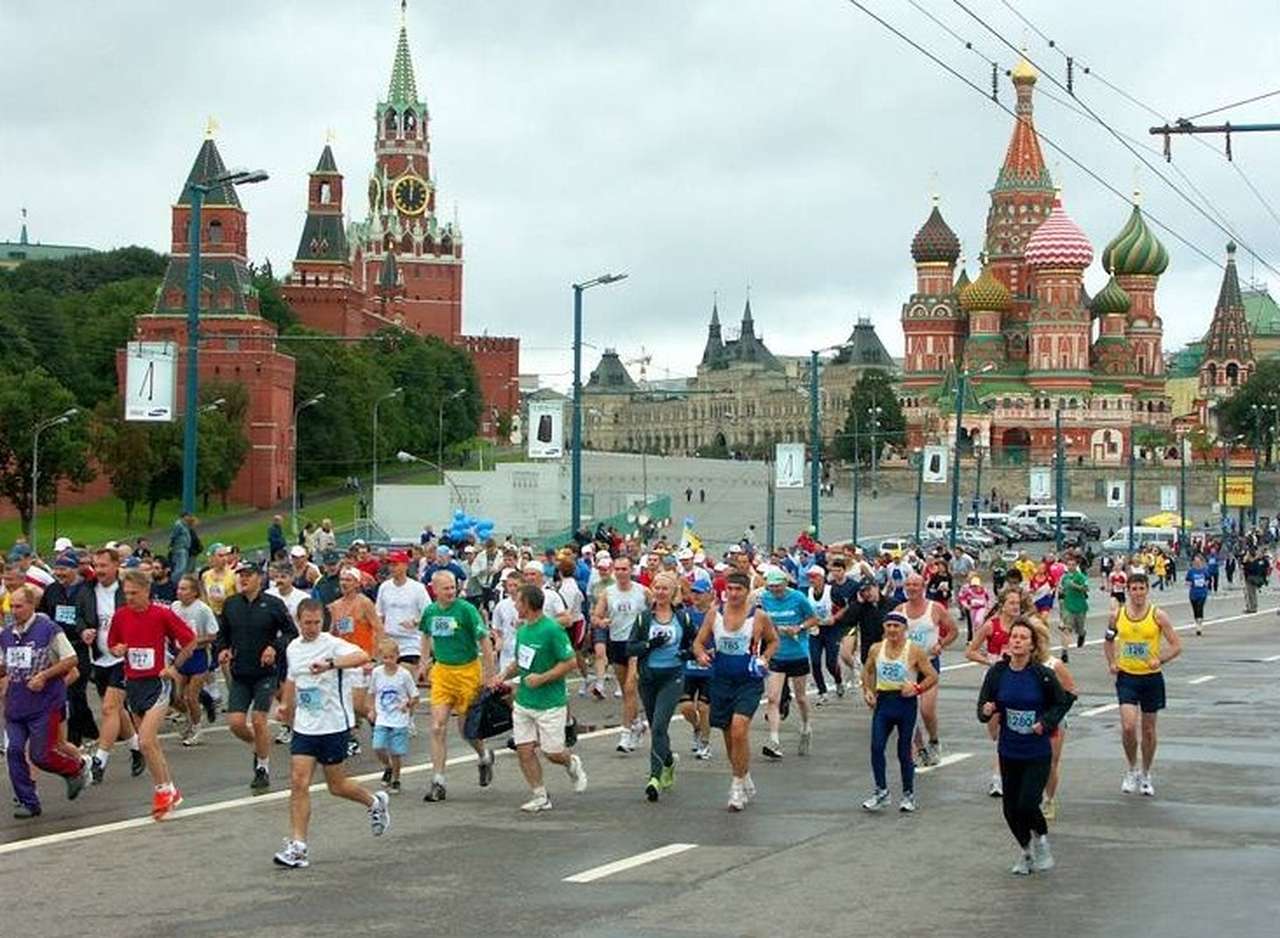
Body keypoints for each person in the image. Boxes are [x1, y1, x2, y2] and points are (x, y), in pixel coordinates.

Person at [273, 599, 389, 868]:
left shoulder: (332, 644)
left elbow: (362, 656)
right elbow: (292, 678)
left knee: (337, 786)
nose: (312, 628)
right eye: (307, 623)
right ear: (298, 621)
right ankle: (298, 846)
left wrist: (331, 664)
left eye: (317, 623)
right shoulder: (293, 647)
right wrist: (286, 705)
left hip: (333, 724)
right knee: (298, 782)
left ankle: (374, 802)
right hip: (305, 726)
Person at [977, 618, 1075, 874]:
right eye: (1014, 637)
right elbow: (983, 705)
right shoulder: (998, 673)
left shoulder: (1042, 675)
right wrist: (987, 710)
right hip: (1009, 750)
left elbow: (1064, 700)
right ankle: (1026, 851)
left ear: (1032, 645)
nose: (1017, 641)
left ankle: (1041, 840)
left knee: (1027, 804)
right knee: (1010, 809)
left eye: (1023, 638)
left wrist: (1046, 722)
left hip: (1036, 751)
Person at [107, 570, 198, 819]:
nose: (129, 598)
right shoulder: (121, 615)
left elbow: (190, 641)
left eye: (134, 593)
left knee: (145, 741)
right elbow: (113, 644)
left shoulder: (161, 614)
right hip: (133, 684)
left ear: (146, 591)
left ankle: (161, 792)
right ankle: (171, 790)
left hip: (157, 683)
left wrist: (174, 667)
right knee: (151, 745)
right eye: (126, 593)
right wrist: (117, 650)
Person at [492, 584, 588, 812]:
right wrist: (503, 675)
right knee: (524, 750)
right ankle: (540, 795)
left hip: (550, 702)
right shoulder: (523, 631)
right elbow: (521, 662)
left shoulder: (552, 630)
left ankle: (571, 762)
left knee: (552, 752)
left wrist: (542, 678)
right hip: (524, 701)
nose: (515, 605)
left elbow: (570, 662)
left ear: (527, 604)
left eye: (518, 601)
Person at [691, 571, 779, 811]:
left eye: (738, 589)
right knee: (730, 736)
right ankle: (743, 773)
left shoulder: (758, 616)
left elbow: (773, 641)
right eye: (729, 589)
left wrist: (765, 657)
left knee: (740, 729)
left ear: (747, 592)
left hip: (748, 680)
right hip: (721, 680)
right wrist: (700, 654)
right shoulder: (714, 614)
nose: (733, 593)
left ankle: (736, 786)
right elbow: (698, 642)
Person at [1, 585, 91, 818]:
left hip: (44, 705)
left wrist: (44, 676)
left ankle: (76, 769)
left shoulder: (49, 630)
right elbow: (4, 666)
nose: (14, 611)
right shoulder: (6, 635)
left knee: (41, 756)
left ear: (32, 605)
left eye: (19, 606)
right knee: (13, 751)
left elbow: (71, 659)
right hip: (16, 706)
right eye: (12, 606)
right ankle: (28, 801)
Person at [217, 561, 297, 792]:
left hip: (266, 673)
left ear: (259, 578)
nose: (243, 579)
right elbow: (223, 634)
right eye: (240, 575)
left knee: (259, 720)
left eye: (248, 575)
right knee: (235, 724)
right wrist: (223, 649)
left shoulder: (272, 604)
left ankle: (262, 767)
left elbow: (290, 632)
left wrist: (274, 647)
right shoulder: (231, 604)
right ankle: (259, 744)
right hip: (240, 672)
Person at [419, 570, 496, 802]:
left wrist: (489, 674)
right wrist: (424, 661)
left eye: (453, 587)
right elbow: (425, 635)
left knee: (466, 730)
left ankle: (484, 756)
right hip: (443, 672)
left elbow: (484, 640)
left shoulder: (466, 610)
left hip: (467, 672)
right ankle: (438, 781)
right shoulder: (430, 611)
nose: (451, 591)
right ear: (434, 590)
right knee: (437, 727)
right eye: (446, 588)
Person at [1104, 572, 1181, 797]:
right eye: (1134, 589)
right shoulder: (1117, 616)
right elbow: (1108, 641)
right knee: (1128, 726)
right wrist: (1112, 662)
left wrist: (1161, 659)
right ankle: (1132, 769)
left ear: (1147, 590)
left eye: (1141, 588)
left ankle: (1146, 773)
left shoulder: (1158, 615)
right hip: (1127, 677)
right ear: (1128, 591)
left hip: (1151, 678)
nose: (1138, 593)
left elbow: (1176, 646)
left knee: (1148, 730)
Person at [625, 571, 696, 801]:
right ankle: (668, 760)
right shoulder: (644, 618)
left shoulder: (682, 618)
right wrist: (649, 644)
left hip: (672, 677)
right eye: (657, 588)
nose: (661, 592)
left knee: (657, 726)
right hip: (648, 678)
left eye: (665, 588)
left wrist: (686, 653)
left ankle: (654, 778)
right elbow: (630, 648)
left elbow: (695, 645)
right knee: (659, 730)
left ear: (673, 592)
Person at [858, 611, 938, 813]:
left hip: (905, 704)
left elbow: (932, 676)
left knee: (904, 751)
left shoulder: (914, 650)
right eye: (889, 626)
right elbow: (867, 671)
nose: (892, 630)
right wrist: (868, 691)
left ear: (905, 629)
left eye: (897, 626)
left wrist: (917, 688)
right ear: (884, 627)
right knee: (876, 747)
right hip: (884, 703)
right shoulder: (876, 648)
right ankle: (881, 792)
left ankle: (908, 794)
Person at [77, 548, 144, 783]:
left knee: (108, 708)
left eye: (104, 565)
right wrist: (84, 630)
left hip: (123, 659)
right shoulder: (87, 589)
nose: (99, 570)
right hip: (100, 658)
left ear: (116, 566)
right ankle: (137, 748)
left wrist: (128, 642)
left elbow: (141, 617)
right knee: (117, 711)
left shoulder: (127, 590)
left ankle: (100, 761)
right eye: (96, 565)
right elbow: (79, 616)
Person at [895, 572, 958, 765]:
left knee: (927, 710)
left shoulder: (935, 608)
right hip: (908, 666)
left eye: (916, 584)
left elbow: (953, 631)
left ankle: (934, 741)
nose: (912, 588)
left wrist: (941, 644)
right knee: (909, 712)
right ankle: (919, 748)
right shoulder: (899, 610)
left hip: (929, 664)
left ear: (923, 587)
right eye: (908, 585)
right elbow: (890, 635)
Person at [966, 587, 1022, 797]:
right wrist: (990, 661)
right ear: (1002, 605)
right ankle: (1006, 766)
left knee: (1007, 732)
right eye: (1011, 603)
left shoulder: (1022, 627)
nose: (1015, 607)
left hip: (1017, 680)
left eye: (1018, 603)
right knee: (995, 732)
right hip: (995, 681)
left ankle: (998, 778)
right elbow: (970, 651)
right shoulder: (991, 625)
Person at [591, 555, 649, 752]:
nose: (621, 573)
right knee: (626, 692)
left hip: (636, 644)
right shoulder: (608, 593)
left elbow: (657, 611)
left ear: (631, 570)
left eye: (624, 569)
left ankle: (625, 734)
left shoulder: (643, 591)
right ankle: (637, 723)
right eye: (618, 569)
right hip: (617, 642)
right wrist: (601, 622)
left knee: (631, 688)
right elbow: (596, 616)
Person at [759, 567, 818, 760]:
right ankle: (774, 741)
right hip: (777, 654)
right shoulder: (765, 598)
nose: (775, 590)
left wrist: (799, 627)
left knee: (800, 697)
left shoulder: (798, 598)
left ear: (785, 584)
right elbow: (762, 620)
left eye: (778, 586)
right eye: (771, 586)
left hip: (797, 652)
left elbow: (813, 619)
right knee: (773, 698)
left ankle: (806, 726)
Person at [41, 553, 96, 747]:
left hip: (78, 646)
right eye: (57, 569)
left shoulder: (86, 589)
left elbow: (92, 616)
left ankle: (74, 739)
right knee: (72, 693)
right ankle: (91, 730)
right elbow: (44, 614)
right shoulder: (52, 590)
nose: (59, 573)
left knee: (74, 692)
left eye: (63, 569)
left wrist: (88, 630)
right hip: (57, 648)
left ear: (74, 569)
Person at [327, 568, 383, 755]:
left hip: (362, 660)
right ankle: (351, 739)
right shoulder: (335, 606)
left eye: (349, 580)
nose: (344, 583)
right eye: (342, 580)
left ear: (357, 583)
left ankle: (378, 723)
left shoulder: (364, 603)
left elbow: (378, 629)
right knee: (343, 703)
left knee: (358, 705)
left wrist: (374, 658)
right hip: (344, 661)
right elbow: (333, 634)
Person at [1032, 621, 1077, 823]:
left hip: (1053, 721)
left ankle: (1048, 799)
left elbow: (1071, 691)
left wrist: (1053, 715)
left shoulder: (1054, 665)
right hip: (1028, 719)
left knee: (1050, 762)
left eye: (1038, 639)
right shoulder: (1020, 664)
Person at [171, 573, 219, 746]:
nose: (179, 592)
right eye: (179, 588)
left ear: (194, 592)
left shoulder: (202, 609)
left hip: (198, 655)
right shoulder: (175, 607)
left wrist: (193, 641)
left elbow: (213, 635)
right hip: (180, 655)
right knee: (175, 696)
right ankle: (192, 716)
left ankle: (197, 729)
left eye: (184, 589)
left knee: (191, 696)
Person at [368, 638, 418, 794]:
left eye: (391, 657)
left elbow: (415, 696)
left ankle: (396, 779)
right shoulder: (377, 673)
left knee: (396, 752)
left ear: (397, 656)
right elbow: (372, 692)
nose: (388, 661)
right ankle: (387, 766)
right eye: (385, 658)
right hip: (383, 717)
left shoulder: (404, 675)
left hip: (399, 719)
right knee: (378, 746)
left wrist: (407, 704)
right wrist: (372, 710)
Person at [678, 574, 717, 760]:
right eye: (693, 592)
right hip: (689, 666)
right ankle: (697, 728)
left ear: (709, 594)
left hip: (710, 667)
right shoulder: (685, 614)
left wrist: (714, 650)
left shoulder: (716, 615)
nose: (695, 596)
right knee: (686, 707)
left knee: (703, 707)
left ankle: (705, 742)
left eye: (700, 593)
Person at [804, 566, 842, 704]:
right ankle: (822, 691)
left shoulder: (832, 591)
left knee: (831, 663)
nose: (811, 580)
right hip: (816, 630)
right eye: (810, 577)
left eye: (814, 577)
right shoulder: (809, 592)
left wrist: (835, 618)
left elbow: (845, 607)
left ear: (822, 577)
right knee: (815, 662)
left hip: (832, 630)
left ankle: (838, 680)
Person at [1057, 554, 1090, 662]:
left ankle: (1082, 634)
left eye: (1073, 565)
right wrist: (1061, 591)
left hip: (1080, 607)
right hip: (1068, 606)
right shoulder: (1064, 577)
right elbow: (1061, 590)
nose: (1071, 567)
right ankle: (1064, 652)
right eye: (1069, 565)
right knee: (1066, 630)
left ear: (1076, 566)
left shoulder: (1081, 577)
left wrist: (1074, 586)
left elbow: (1086, 589)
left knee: (1079, 629)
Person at [1186, 553, 1210, 636]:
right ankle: (1197, 623)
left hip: (1202, 593)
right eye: (1195, 561)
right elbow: (1187, 581)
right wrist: (1189, 583)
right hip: (1193, 593)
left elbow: (1208, 579)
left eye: (1198, 561)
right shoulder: (1191, 571)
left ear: (1201, 562)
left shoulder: (1204, 570)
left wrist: (1206, 583)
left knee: (1200, 607)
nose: (1197, 563)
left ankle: (1199, 626)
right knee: (1195, 609)